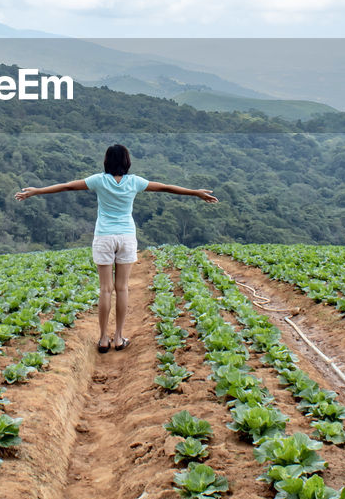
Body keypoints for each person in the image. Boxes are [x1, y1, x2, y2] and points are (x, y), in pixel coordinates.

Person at [14, 143, 218, 353]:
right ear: (127, 162)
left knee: (105, 289)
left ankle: (103, 339)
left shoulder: (99, 180)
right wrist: (196, 193)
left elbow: (67, 186)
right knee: (122, 289)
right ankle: (119, 337)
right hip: (126, 237)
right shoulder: (134, 182)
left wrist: (36, 191)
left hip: (104, 237)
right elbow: (166, 187)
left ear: (107, 161)